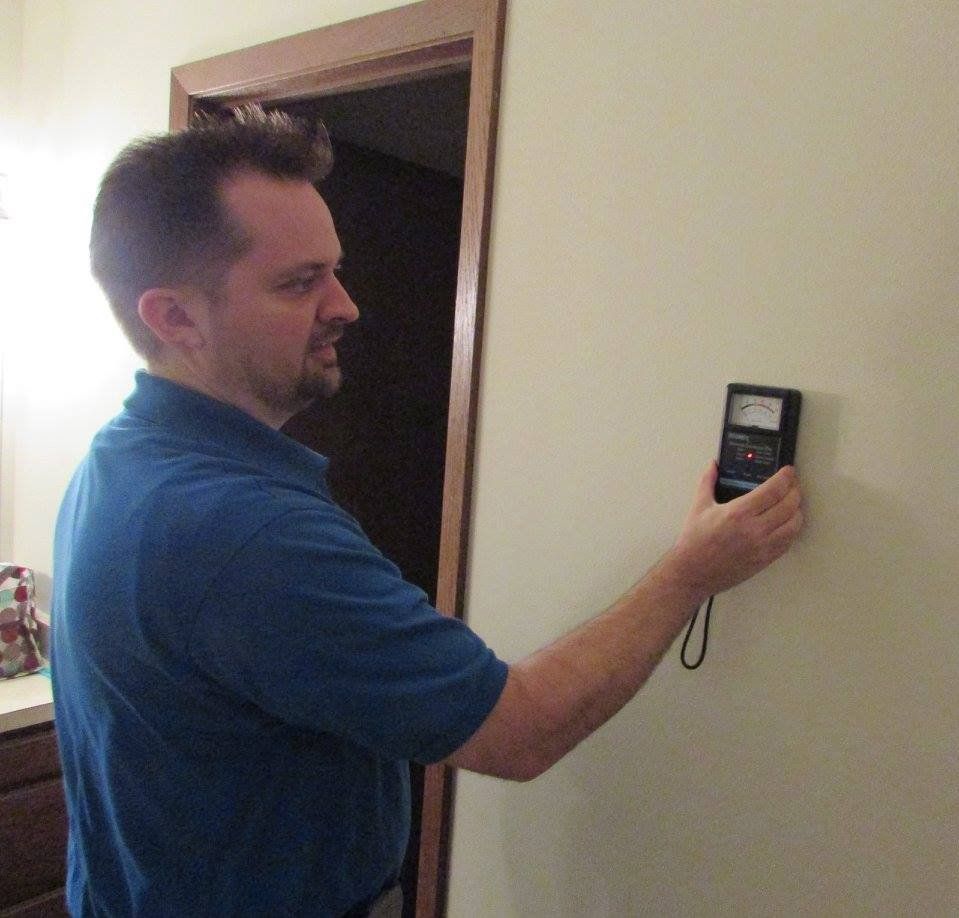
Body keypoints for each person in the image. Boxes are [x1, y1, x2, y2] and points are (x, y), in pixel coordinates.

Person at [52, 106, 803, 918]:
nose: (345, 305)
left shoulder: (120, 460)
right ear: (173, 317)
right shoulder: (243, 531)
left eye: (333, 270)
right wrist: (691, 572)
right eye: (299, 282)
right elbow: (520, 731)